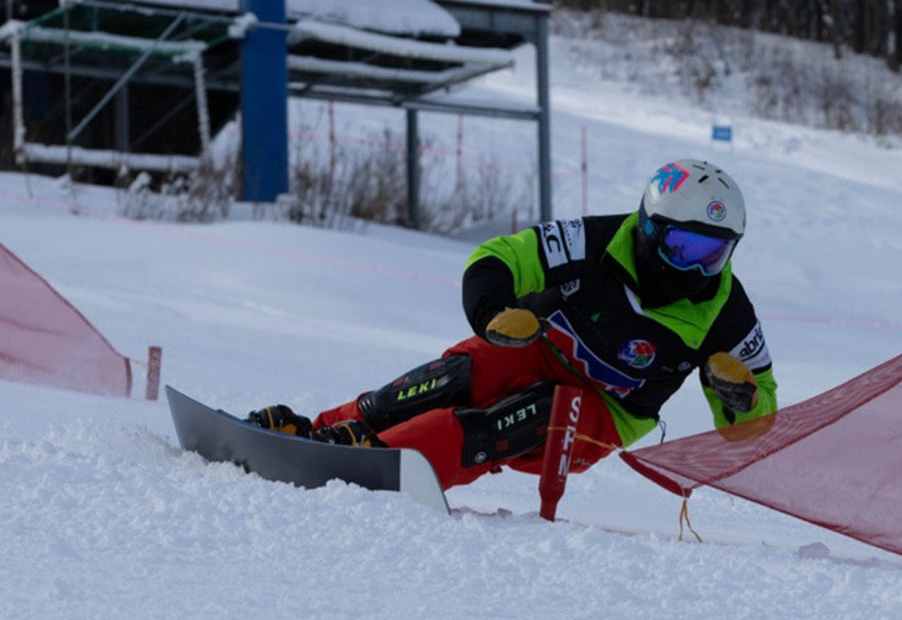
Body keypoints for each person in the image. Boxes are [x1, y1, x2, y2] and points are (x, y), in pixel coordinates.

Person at [248, 159, 780, 492]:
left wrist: (742, 399)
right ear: (647, 227)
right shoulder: (596, 241)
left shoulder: (729, 313)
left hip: (608, 412)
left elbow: (756, 431)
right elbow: (499, 256)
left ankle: (385, 464)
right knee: (468, 373)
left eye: (714, 252)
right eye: (684, 246)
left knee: (532, 416)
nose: (695, 268)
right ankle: (323, 432)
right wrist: (493, 310)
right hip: (545, 348)